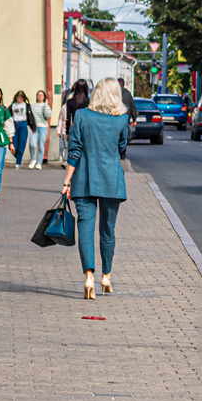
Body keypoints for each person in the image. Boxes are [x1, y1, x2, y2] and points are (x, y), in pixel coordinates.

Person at [62, 78, 129, 300]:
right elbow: (121, 147)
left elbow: (74, 151)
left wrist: (67, 182)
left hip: (84, 179)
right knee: (108, 230)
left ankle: (88, 276)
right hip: (112, 181)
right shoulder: (122, 119)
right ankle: (106, 276)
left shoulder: (81, 116)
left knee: (86, 229)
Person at [63, 80, 90, 170]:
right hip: (87, 128)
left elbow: (68, 118)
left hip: (74, 128)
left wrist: (67, 132)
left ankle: (72, 166)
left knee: (73, 149)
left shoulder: (70, 101)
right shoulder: (89, 102)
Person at [10, 91, 34, 170]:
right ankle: (18, 157)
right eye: (18, 98)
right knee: (13, 145)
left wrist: (33, 127)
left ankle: (18, 162)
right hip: (14, 124)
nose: (19, 99)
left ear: (23, 98)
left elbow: (30, 116)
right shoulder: (13, 105)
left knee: (21, 144)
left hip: (23, 124)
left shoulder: (26, 105)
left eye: (20, 98)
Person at [30, 90, 53, 168]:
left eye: (41, 95)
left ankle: (39, 162)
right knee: (32, 144)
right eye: (38, 95)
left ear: (44, 97)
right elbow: (30, 116)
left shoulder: (46, 106)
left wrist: (46, 105)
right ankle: (33, 159)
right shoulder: (33, 106)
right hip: (34, 127)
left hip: (43, 128)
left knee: (41, 145)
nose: (39, 96)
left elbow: (47, 116)